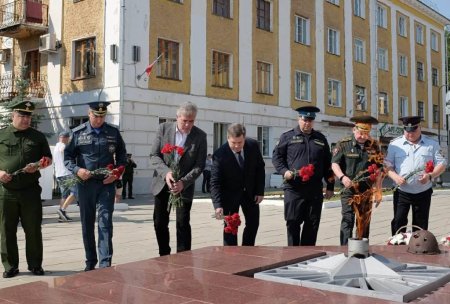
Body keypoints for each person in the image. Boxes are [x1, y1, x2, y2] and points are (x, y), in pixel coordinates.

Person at [64, 101, 127, 271]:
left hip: (106, 185)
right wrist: (77, 170)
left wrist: (116, 173)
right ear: (89, 113)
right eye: (95, 116)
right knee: (87, 223)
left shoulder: (113, 132)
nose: (99, 119)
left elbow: (122, 157)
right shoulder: (78, 133)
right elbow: (68, 158)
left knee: (105, 222)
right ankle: (90, 262)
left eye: (102, 116)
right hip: (85, 185)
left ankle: (105, 263)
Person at [0, 100, 52, 278]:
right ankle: (10, 266)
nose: (26, 119)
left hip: (30, 190)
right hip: (6, 191)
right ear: (13, 116)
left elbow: (48, 159)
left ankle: (35, 265)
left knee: (33, 229)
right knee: (6, 230)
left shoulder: (38, 137)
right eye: (22, 116)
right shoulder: (1, 135)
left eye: (28, 116)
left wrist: (37, 166)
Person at [150, 102, 207, 256]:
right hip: (163, 183)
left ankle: (183, 258)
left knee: (182, 223)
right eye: (184, 121)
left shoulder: (200, 136)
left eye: (191, 121)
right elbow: (154, 155)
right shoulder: (164, 129)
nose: (188, 125)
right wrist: (166, 173)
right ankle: (164, 255)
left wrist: (184, 182)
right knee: (159, 223)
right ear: (177, 118)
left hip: (184, 187)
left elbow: (199, 165)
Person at [272, 106, 334, 246]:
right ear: (298, 118)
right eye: (304, 119)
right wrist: (284, 171)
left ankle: (308, 255)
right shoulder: (287, 137)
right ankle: (293, 255)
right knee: (293, 223)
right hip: (294, 189)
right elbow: (277, 158)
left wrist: (330, 186)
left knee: (312, 225)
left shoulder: (320, 139)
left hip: (314, 190)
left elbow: (327, 165)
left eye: (310, 120)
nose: (307, 123)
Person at [385, 116, 446, 235]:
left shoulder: (431, 144)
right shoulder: (394, 145)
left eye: (413, 130)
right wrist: (395, 177)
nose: (410, 133)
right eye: (407, 131)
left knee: (420, 225)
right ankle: (397, 250)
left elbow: (442, 163)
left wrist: (430, 176)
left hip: (423, 191)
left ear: (420, 128)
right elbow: (387, 166)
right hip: (401, 191)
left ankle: (418, 250)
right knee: (398, 222)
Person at [211, 123, 265, 246]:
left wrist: (260, 191)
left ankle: (247, 250)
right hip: (229, 195)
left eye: (240, 143)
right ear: (227, 138)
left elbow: (260, 168)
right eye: (233, 143)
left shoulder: (253, 146)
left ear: (244, 138)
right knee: (231, 227)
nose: (236, 146)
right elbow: (215, 182)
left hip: (250, 193)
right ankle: (231, 256)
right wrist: (218, 205)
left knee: (253, 223)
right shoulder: (220, 155)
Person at [331, 115, 381, 245]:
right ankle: (345, 249)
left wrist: (378, 190)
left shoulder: (374, 146)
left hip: (366, 190)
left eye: (366, 133)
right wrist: (342, 177)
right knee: (348, 219)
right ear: (354, 130)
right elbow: (334, 164)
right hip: (348, 189)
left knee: (364, 221)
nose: (363, 136)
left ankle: (361, 249)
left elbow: (378, 170)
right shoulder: (344, 144)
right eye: (360, 133)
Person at [54, 131, 76, 222]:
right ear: (67, 138)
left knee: (64, 195)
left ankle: (61, 216)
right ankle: (62, 210)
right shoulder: (63, 146)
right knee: (76, 192)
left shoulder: (56, 146)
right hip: (67, 174)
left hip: (59, 174)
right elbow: (63, 149)